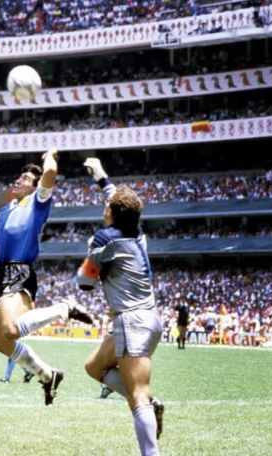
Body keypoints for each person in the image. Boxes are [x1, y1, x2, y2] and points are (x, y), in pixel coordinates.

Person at [0, 148, 93, 406]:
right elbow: (1, 242)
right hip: (4, 272)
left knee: (10, 329)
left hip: (20, 269)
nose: (19, 180)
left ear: (35, 187)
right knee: (2, 344)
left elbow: (50, 171)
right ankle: (48, 375)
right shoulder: (5, 210)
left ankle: (64, 308)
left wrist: (49, 155)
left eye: (26, 179)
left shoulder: (37, 202)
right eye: (19, 177)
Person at [78, 158, 164, 456]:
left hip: (131, 321)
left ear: (111, 214)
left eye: (107, 206)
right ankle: (150, 407)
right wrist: (102, 178)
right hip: (146, 317)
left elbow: (84, 283)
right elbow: (120, 203)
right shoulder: (137, 231)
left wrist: (92, 252)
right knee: (94, 367)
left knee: (137, 396)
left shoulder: (103, 239)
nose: (105, 207)